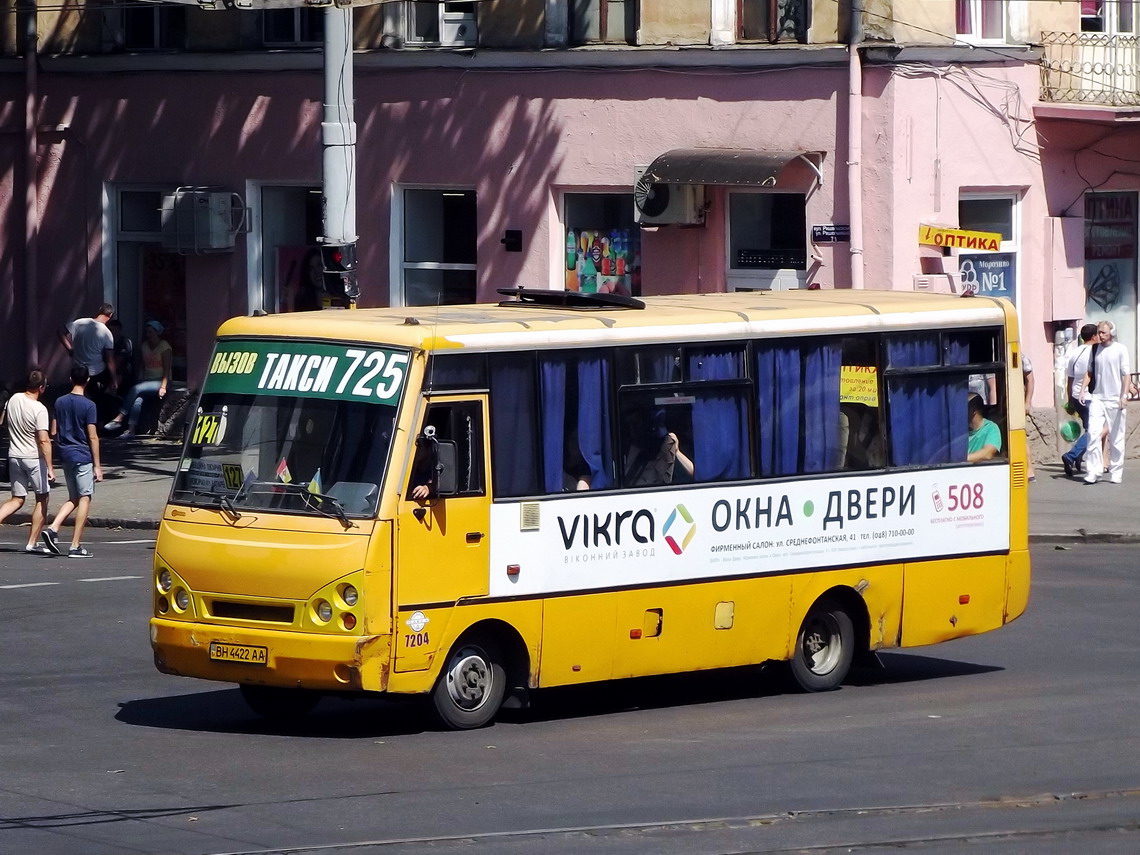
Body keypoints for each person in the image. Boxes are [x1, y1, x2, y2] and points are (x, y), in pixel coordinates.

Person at [41, 364, 103, 558]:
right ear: (88, 380)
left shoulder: (60, 402)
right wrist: (98, 465)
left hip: (65, 453)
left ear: (70, 379)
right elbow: (93, 436)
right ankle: (75, 545)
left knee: (74, 497)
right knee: (85, 497)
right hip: (82, 454)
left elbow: (53, 430)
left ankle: (53, 527)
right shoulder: (89, 405)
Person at [0, 369, 55, 553]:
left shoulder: (13, 399)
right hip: (33, 458)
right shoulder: (40, 409)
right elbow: (43, 439)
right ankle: (32, 542)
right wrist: (50, 467)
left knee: (17, 499)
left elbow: (3, 421)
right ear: (42, 387)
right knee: (42, 498)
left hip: (14, 454)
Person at [1080, 320, 1132, 485]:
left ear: (1112, 332)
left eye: (1103, 332)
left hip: (1115, 399)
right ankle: (1093, 471)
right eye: (1099, 332)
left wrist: (1124, 395)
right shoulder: (1094, 349)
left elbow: (1126, 375)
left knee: (1116, 437)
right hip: (1098, 398)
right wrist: (1082, 389)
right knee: (1093, 434)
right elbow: (1089, 372)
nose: (1100, 335)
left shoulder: (1120, 349)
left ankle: (1116, 471)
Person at [103, 320, 172, 436]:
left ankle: (119, 417)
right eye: (147, 332)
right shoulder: (144, 346)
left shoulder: (164, 346)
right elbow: (142, 365)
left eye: (151, 332)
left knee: (136, 389)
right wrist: (140, 378)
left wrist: (163, 387)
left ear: (157, 332)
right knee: (137, 399)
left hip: (161, 381)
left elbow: (167, 369)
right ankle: (131, 429)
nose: (148, 335)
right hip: (147, 381)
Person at [1062, 324, 1098, 478]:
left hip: (1077, 397)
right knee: (1095, 430)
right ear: (1094, 336)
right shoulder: (1094, 352)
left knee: (1089, 428)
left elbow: (1070, 379)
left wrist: (1070, 399)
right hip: (1089, 397)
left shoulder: (1075, 352)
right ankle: (1071, 456)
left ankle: (1078, 457)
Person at [59, 303, 119, 394]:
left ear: (99, 311)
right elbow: (109, 359)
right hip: (96, 372)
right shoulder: (107, 334)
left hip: (78, 370)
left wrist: (70, 349)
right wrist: (114, 379)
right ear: (110, 315)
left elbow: (61, 332)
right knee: (96, 399)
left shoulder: (80, 323)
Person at [966, 394, 1002, 462]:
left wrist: (961, 460)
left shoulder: (991, 428)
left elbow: (987, 453)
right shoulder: (959, 431)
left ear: (973, 410)